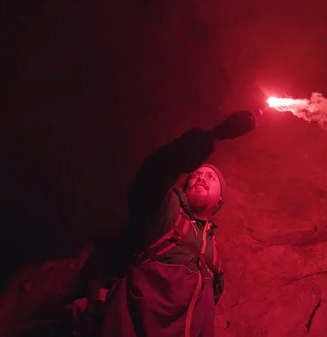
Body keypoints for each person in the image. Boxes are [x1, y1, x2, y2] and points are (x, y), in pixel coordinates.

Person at [99, 109, 261, 337]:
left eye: (211, 177)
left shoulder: (215, 260)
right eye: (196, 174)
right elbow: (154, 172)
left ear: (219, 200)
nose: (201, 177)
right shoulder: (166, 213)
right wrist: (215, 135)